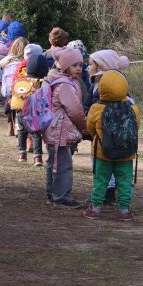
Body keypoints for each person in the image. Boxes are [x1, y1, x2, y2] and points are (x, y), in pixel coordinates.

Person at [84, 70, 141, 221]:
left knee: (100, 180)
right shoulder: (133, 108)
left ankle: (95, 208)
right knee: (125, 181)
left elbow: (90, 128)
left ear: (101, 88)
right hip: (126, 153)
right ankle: (124, 210)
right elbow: (136, 127)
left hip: (102, 153)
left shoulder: (96, 108)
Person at [44, 46, 87, 208]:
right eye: (74, 65)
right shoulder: (66, 86)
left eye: (80, 65)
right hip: (61, 131)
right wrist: (84, 127)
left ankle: (52, 194)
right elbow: (75, 111)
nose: (79, 68)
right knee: (63, 165)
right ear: (65, 65)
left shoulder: (58, 81)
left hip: (54, 130)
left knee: (54, 163)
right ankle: (62, 196)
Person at [14, 46, 49, 166]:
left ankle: (22, 154)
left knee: (21, 132)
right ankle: (37, 158)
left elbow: (14, 95)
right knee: (36, 134)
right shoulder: (42, 83)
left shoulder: (21, 80)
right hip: (35, 113)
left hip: (20, 111)